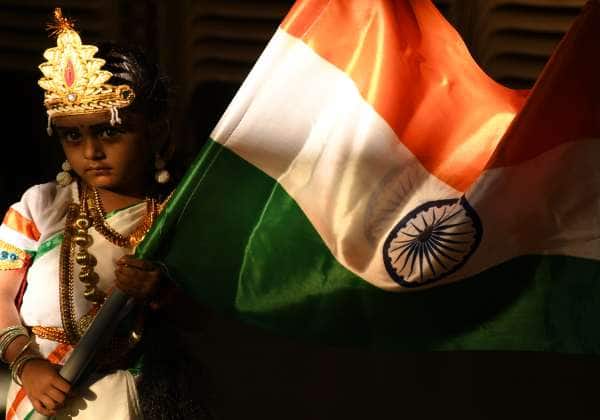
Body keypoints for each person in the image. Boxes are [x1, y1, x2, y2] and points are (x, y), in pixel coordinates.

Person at [0, 9, 210, 420]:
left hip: (127, 397)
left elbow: (204, 319)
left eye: (110, 131)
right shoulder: (39, 208)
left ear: (156, 131)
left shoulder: (176, 217)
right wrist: (25, 361)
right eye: (72, 135)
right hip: (37, 392)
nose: (91, 151)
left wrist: (160, 293)